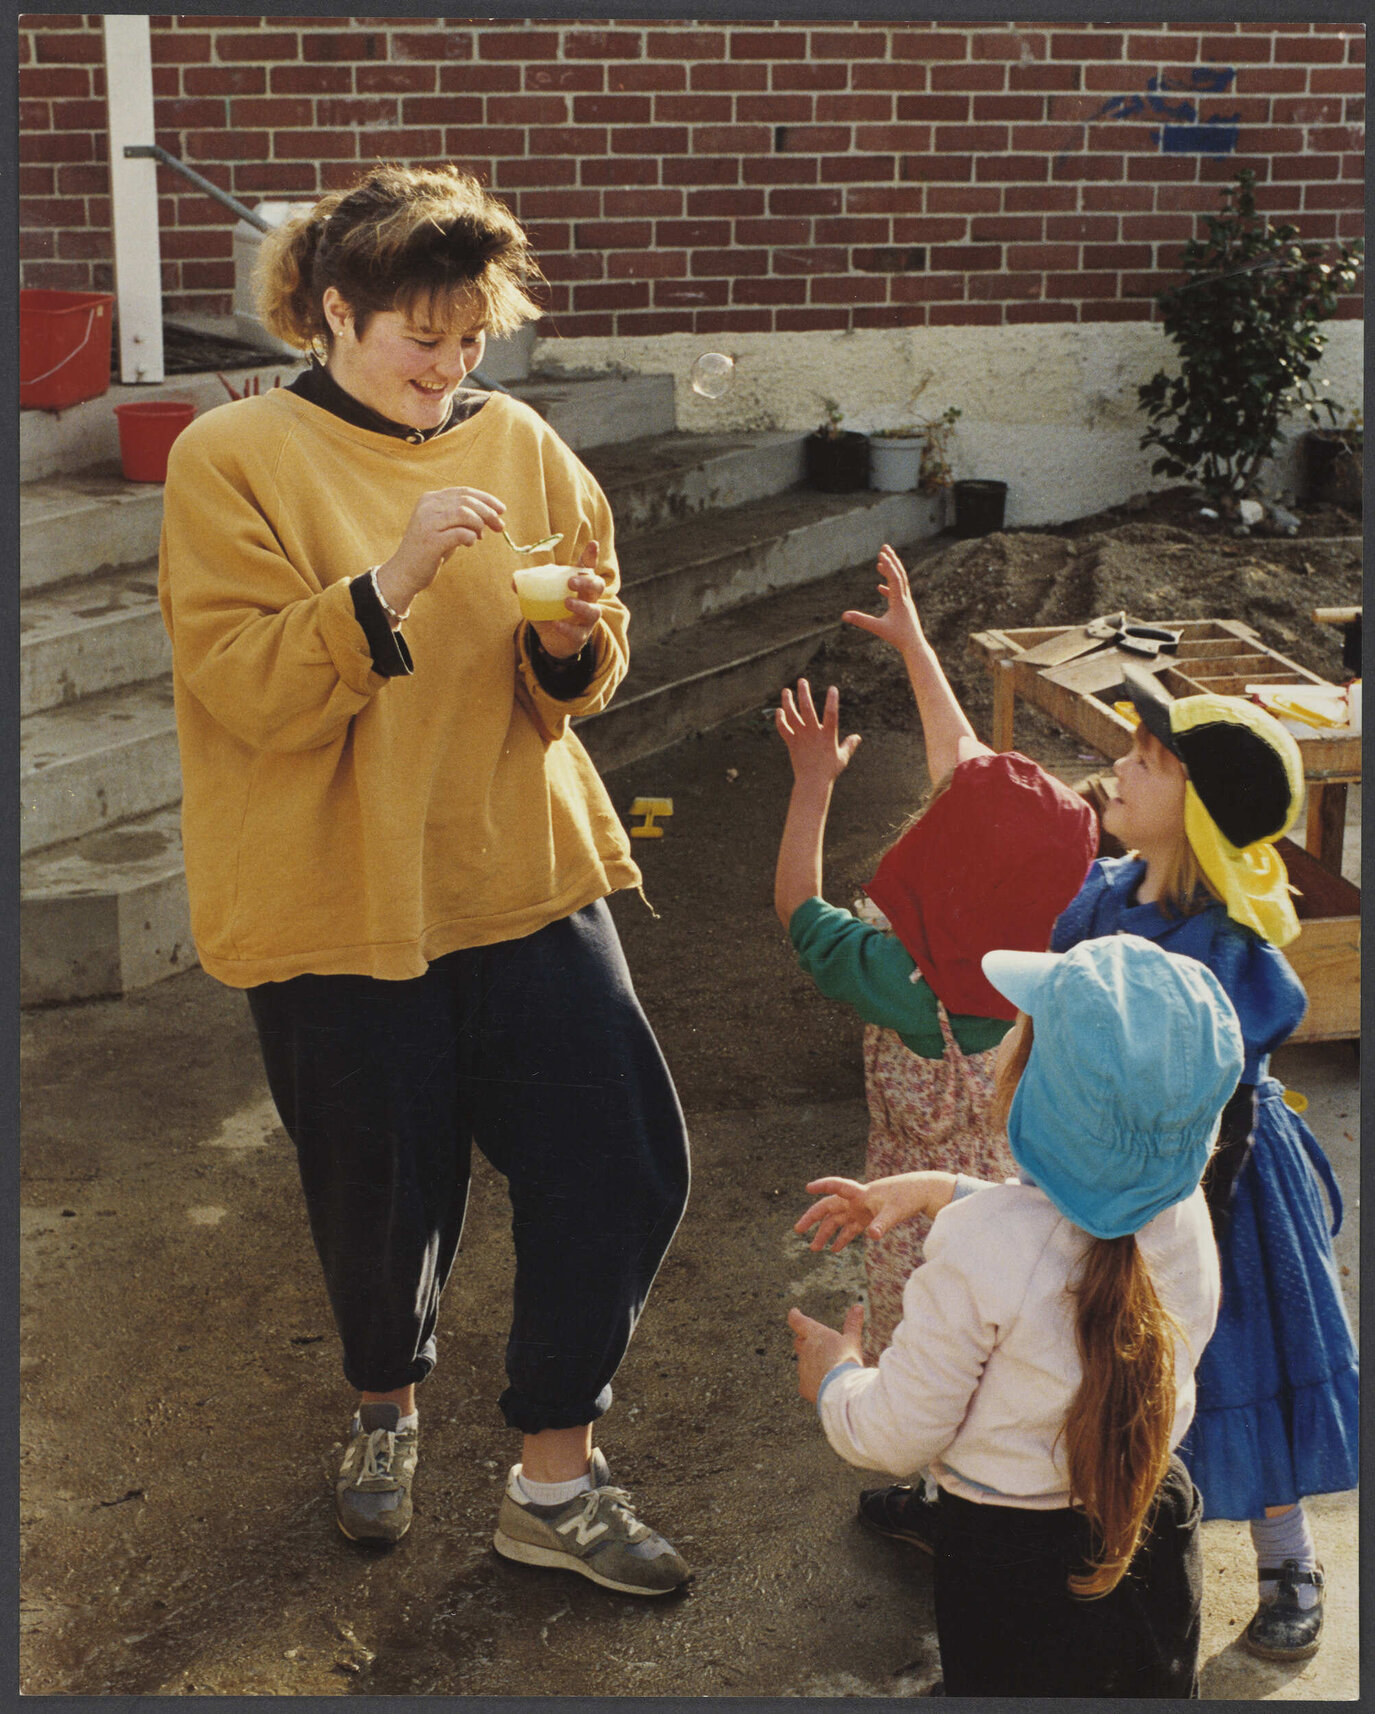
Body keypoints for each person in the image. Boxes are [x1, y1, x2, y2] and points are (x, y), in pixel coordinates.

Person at [158, 162, 692, 1595]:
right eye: (422, 338)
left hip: (516, 868)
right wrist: (385, 583)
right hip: (336, 898)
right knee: (384, 1195)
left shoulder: (518, 441)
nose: (450, 370)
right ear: (335, 311)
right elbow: (240, 689)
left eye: (471, 340)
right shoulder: (234, 461)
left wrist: (578, 636)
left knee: (624, 1159)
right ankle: (383, 1408)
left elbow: (575, 663)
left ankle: (551, 1478)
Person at [789, 934, 1244, 1698]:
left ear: (1035, 1089)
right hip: (1148, 1518)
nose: (1003, 1040)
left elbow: (897, 1432)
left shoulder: (980, 1248)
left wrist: (835, 1375)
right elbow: (1062, 1241)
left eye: (1020, 1035)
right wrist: (944, 1187)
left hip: (1008, 1558)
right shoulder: (1184, 1213)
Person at [773, 544, 1097, 1534]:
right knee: (1007, 1353)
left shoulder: (886, 973)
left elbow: (796, 903)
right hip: (1019, 1215)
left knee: (923, 1356)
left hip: (904, 1221)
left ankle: (933, 1498)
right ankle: (1011, 1487)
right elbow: (971, 780)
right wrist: (915, 639)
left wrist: (814, 783)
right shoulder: (1058, 967)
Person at [1049, 666, 1359, 1661]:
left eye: (1146, 761)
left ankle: (1285, 1559)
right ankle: (1118, 1540)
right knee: (1111, 1360)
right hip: (1106, 1167)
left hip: (1223, 1184)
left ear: (1203, 816)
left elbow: (1243, 1038)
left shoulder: (1225, 946)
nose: (1118, 767)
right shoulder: (1100, 895)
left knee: (1240, 1359)